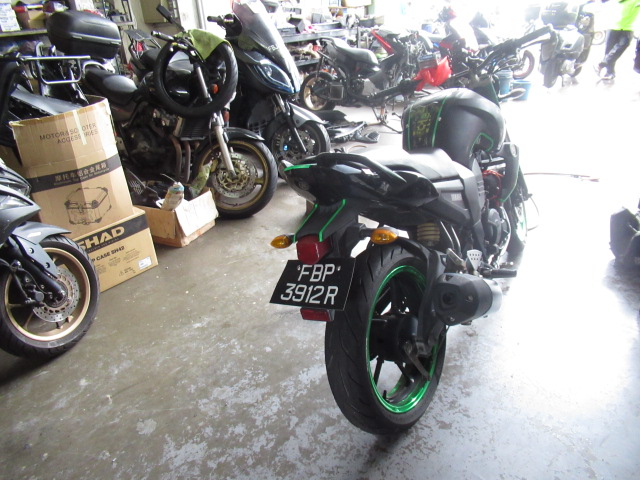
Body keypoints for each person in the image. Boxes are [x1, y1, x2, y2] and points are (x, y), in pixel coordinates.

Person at [596, 0, 640, 79]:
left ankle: (602, 64)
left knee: (620, 47)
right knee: (609, 51)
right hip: (612, 26)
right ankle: (609, 72)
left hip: (627, 28)